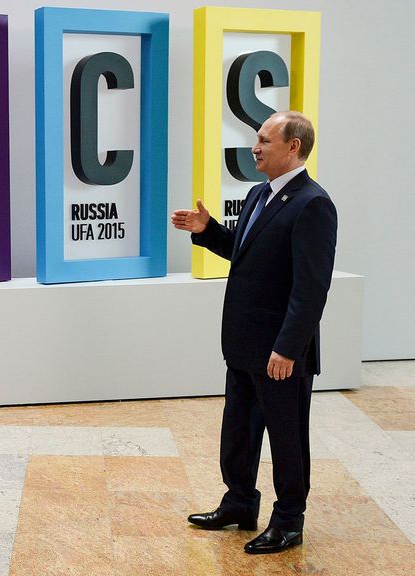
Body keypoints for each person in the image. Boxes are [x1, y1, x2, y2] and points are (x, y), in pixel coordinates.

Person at [171, 111, 337, 554]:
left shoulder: (313, 204)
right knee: (239, 432)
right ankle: (240, 503)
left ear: (293, 147)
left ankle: (288, 521)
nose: (255, 147)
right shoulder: (256, 194)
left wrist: (288, 347)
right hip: (244, 344)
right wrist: (210, 233)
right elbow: (246, 257)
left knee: (287, 439)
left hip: (281, 352)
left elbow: (311, 287)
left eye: (264, 140)